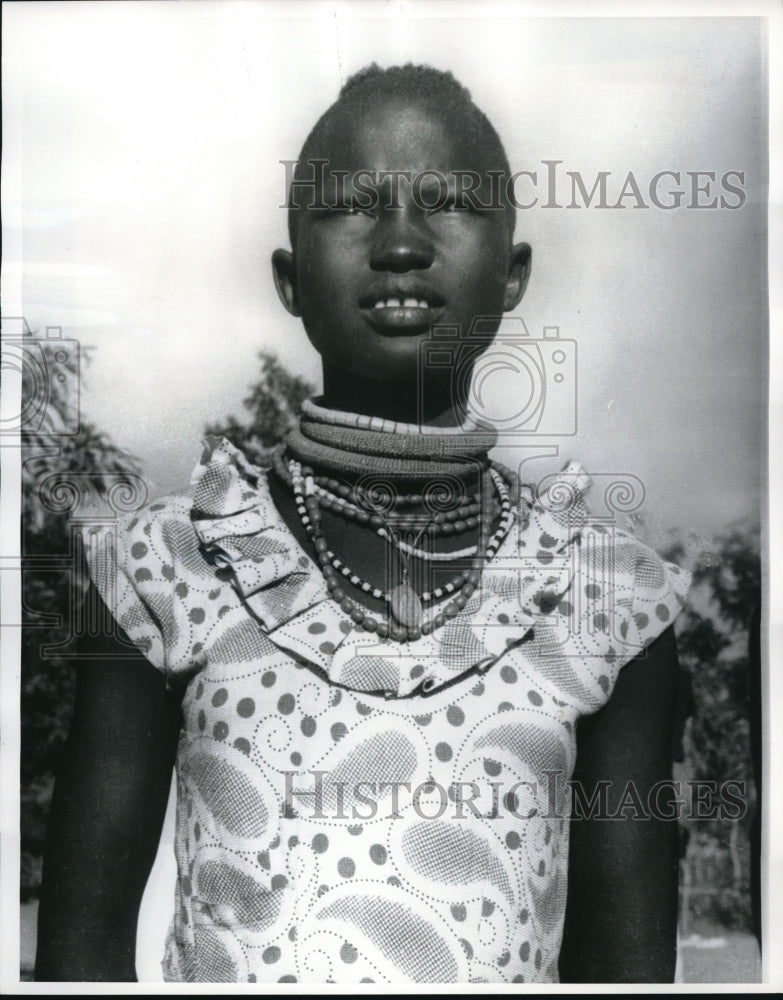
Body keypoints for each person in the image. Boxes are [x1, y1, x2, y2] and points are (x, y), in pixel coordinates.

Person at [35, 63, 690, 984]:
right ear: (290, 277)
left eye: (448, 202)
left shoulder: (606, 599)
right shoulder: (163, 569)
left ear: (512, 273)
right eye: (350, 206)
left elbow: (625, 973)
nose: (400, 244)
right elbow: (80, 956)